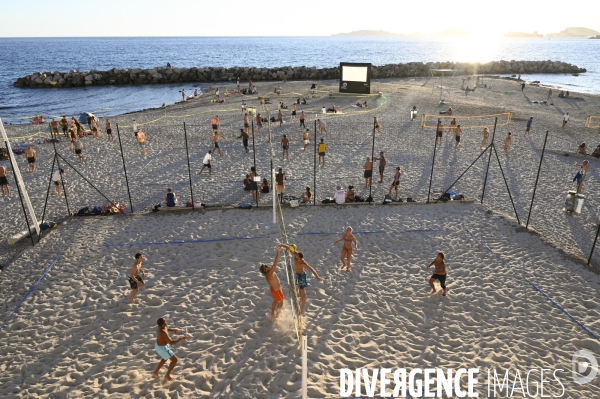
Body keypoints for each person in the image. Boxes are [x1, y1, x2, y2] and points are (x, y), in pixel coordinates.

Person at [279, 244, 322, 315]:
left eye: (297, 256)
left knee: (302, 291)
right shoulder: (296, 255)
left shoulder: (303, 263)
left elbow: (312, 269)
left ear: (300, 258)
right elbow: (289, 248)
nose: (295, 256)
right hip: (297, 275)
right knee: (299, 288)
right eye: (295, 255)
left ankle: (303, 307)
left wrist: (317, 277)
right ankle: (301, 301)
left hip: (301, 276)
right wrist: (281, 245)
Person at [260, 245, 285, 318]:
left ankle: (272, 313)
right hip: (276, 291)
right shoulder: (270, 273)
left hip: (275, 290)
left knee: (275, 301)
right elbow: (275, 262)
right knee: (281, 303)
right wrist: (278, 252)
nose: (268, 266)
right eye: (266, 266)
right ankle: (277, 316)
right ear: (265, 270)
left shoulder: (267, 274)